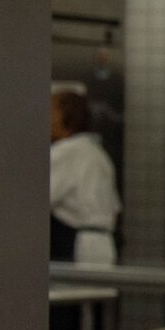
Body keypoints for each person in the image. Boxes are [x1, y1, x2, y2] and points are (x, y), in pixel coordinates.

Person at [49, 88, 121, 266]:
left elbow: (40, 198)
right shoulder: (95, 151)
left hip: (78, 243)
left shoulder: (68, 151)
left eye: (51, 112)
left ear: (67, 117)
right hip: (103, 242)